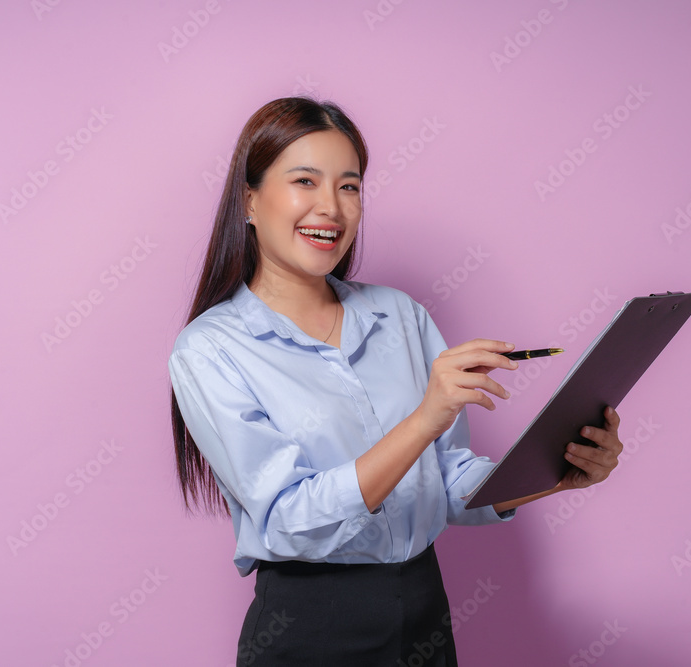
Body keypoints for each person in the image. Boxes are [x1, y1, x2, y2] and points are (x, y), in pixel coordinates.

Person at [168, 97, 623, 666]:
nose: (331, 207)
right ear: (249, 201)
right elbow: (288, 515)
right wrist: (424, 419)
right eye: (305, 181)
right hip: (312, 624)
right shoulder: (211, 349)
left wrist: (554, 473)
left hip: (424, 609)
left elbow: (448, 481)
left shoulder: (401, 316)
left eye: (349, 186)